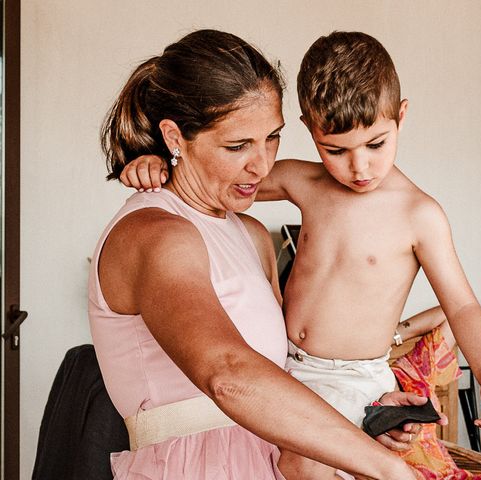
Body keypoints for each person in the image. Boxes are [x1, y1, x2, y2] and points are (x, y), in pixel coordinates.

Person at [122, 31, 481, 480]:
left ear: (401, 117)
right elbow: (217, 181)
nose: (359, 168)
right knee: (299, 463)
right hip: (290, 373)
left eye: (376, 144)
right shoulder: (307, 184)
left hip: (358, 378)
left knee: (306, 463)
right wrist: (157, 164)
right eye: (335, 150)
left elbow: (464, 306)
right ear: (309, 129)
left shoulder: (419, 214)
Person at [91, 29, 423, 480]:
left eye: (273, 138)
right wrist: (388, 470)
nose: (263, 165)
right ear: (174, 137)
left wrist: (361, 415)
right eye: (237, 146)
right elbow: (227, 372)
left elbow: (287, 377)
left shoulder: (249, 235)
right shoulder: (155, 233)